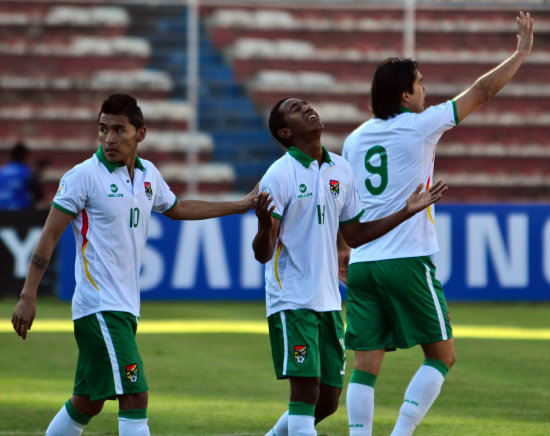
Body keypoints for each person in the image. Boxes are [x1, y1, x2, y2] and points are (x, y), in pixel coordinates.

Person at [11, 93, 258, 436]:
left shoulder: (148, 175)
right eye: (103, 129)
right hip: (100, 306)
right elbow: (49, 237)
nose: (109, 139)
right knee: (135, 395)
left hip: (125, 306)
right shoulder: (83, 176)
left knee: (87, 401)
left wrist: (239, 205)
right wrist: (27, 295)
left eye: (118, 130)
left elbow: (179, 208)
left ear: (140, 134)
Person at [340, 11, 534, 436]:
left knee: (365, 365)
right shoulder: (420, 126)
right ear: (404, 95)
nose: (425, 89)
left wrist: (344, 249)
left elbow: (350, 204)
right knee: (441, 356)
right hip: (407, 259)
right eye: (420, 83)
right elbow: (481, 91)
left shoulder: (354, 139)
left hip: (363, 264)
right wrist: (520, 52)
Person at [253, 97, 447, 436]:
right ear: (285, 131)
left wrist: (407, 210)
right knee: (305, 395)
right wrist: (264, 227)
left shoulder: (340, 169)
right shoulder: (279, 174)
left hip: (328, 301)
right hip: (292, 300)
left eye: (307, 103)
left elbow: (355, 236)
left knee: (327, 401)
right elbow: (263, 253)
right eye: (297, 110)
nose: (309, 108)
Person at [0, 142, 43, 209]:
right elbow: (38, 195)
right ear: (24, 156)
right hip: (20, 212)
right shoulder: (26, 172)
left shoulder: (2, 171)